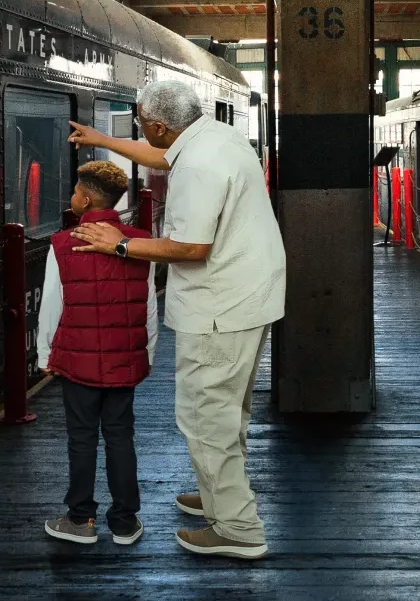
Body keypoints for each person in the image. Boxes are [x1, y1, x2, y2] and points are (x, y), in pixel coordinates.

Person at [68, 79, 285, 560]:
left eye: (144, 125)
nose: (143, 134)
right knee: (230, 410)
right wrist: (101, 140)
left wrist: (117, 243)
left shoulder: (200, 167)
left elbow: (190, 248)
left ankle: (237, 528)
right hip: (249, 296)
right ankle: (217, 495)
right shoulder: (214, 137)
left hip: (219, 307)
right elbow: (162, 156)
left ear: (161, 125)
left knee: (205, 417)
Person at [37, 161, 158, 547]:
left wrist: (45, 356)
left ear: (85, 199)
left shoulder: (61, 243)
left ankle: (80, 519)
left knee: (81, 438)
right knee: (121, 436)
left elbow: (51, 308)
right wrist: (147, 353)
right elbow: (148, 307)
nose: (71, 196)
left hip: (78, 361)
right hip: (125, 360)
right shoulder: (140, 242)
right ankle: (124, 522)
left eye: (75, 190)